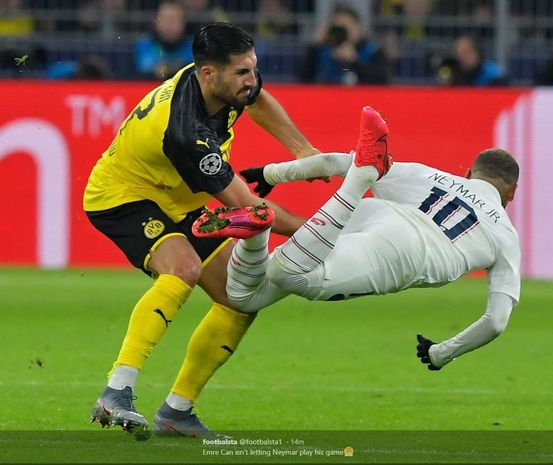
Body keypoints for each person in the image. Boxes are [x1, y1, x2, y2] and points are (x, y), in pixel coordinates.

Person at [84, 23, 319, 437]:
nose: (251, 80)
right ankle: (116, 390)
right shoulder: (185, 132)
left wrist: (303, 151)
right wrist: (318, 231)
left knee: (241, 298)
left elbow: (258, 97)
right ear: (208, 74)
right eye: (242, 73)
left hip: (179, 197)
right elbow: (249, 208)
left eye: (253, 69)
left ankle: (177, 412)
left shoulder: (225, 82)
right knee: (183, 269)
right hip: (123, 196)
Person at [211, 106, 521, 372]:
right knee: (289, 273)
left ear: (468, 173)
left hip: (373, 214)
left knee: (244, 297)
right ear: (512, 192)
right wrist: (441, 353)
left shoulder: (432, 175)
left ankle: (254, 237)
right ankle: (287, 216)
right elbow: (496, 321)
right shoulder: (506, 235)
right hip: (404, 252)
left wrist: (271, 174)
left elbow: (337, 162)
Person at [299, 4, 390, 85]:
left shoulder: (373, 50)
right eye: (339, 29)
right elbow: (303, 79)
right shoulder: (323, 50)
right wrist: (313, 47)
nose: (344, 34)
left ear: (358, 27)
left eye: (347, 28)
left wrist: (354, 61)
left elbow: (382, 83)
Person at [134, 1, 193, 80]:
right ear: (155, 21)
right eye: (165, 19)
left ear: (183, 23)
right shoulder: (143, 45)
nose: (169, 25)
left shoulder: (193, 48)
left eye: (173, 20)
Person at [435, 35, 507, 87]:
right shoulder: (453, 71)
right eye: (458, 53)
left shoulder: (493, 74)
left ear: (476, 53)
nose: (461, 57)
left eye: (465, 52)